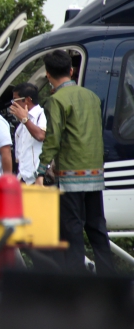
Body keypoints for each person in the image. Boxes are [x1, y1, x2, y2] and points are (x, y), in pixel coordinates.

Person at [35, 50, 115, 275]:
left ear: (48, 75)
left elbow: (52, 139)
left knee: (72, 230)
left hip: (70, 176)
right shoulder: (91, 97)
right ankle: (109, 280)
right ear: (71, 71)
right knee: (97, 228)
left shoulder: (55, 101)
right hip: (95, 174)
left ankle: (76, 283)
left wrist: (40, 172)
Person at [9, 83, 46, 184]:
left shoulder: (42, 114)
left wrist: (25, 120)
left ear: (27, 100)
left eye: (15, 100)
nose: (13, 104)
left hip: (38, 179)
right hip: (23, 178)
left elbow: (40, 135)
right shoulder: (21, 125)